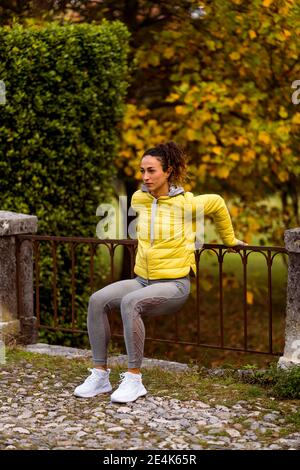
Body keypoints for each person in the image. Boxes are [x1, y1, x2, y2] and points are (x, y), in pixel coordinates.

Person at [74, 141, 247, 403]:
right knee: (97, 300)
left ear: (168, 172)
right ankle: (100, 375)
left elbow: (219, 204)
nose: (145, 177)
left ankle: (134, 380)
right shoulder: (139, 199)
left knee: (131, 303)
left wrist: (230, 240)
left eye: (152, 170)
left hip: (174, 284)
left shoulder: (187, 204)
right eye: (142, 170)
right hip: (142, 280)